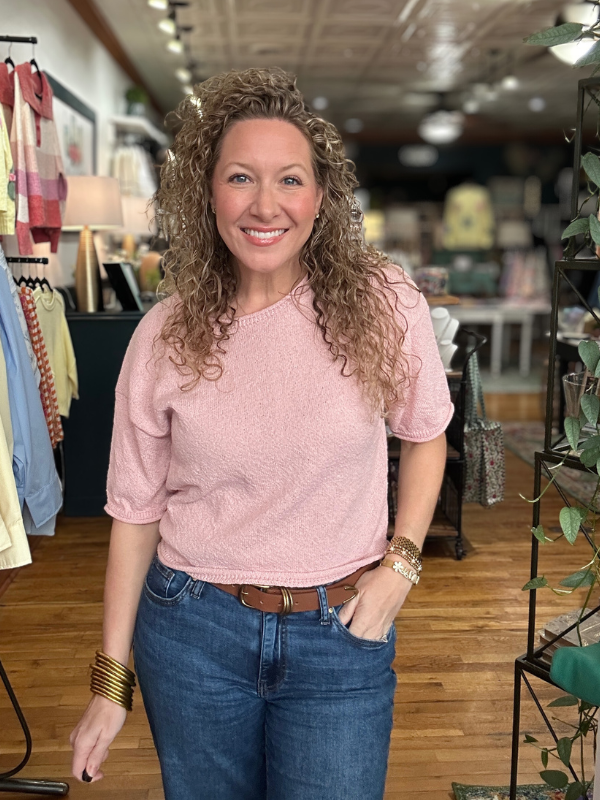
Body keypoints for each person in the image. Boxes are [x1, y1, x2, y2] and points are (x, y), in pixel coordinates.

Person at [69, 66, 453, 800]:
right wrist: (110, 683)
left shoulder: (382, 302)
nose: (265, 204)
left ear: (321, 196)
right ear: (207, 193)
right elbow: (135, 511)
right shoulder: (164, 335)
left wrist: (400, 568)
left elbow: (426, 432)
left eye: (290, 180)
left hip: (342, 633)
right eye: (241, 177)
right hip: (192, 636)